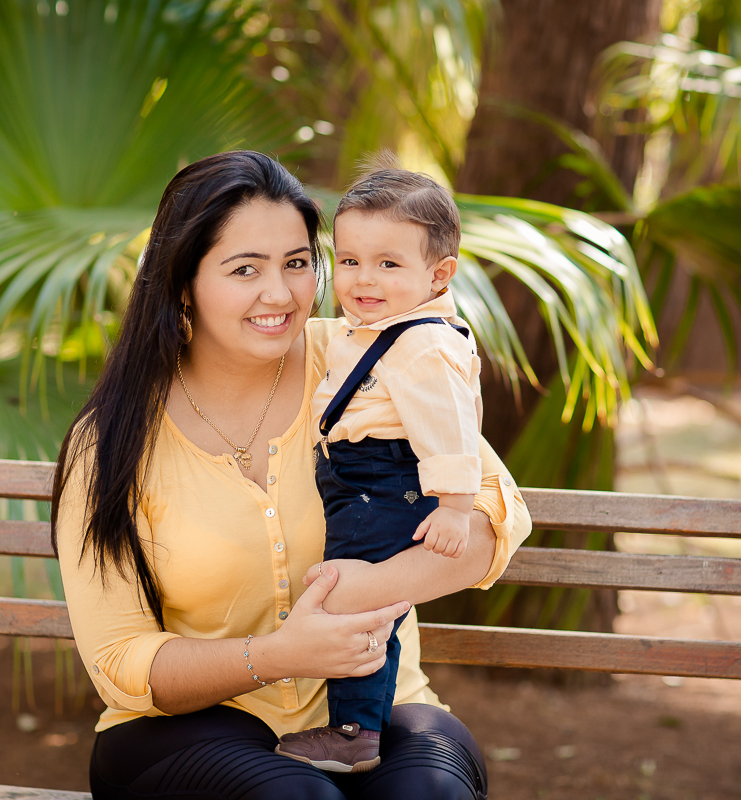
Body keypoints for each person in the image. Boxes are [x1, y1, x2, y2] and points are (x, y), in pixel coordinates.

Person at [51, 150, 532, 800]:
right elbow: (120, 662)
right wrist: (282, 655)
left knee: (429, 793)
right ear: (182, 280)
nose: (279, 294)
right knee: (297, 799)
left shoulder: (375, 353)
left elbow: (495, 517)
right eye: (245, 269)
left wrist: (371, 587)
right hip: (184, 727)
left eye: (298, 263)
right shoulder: (112, 439)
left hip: (379, 711)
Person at [275, 167, 483, 773]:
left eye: (389, 264)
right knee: (359, 601)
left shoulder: (422, 344)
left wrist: (455, 509)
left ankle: (354, 731)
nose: (364, 278)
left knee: (355, 603)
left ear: (439, 273)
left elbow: (452, 427)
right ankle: (357, 724)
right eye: (350, 261)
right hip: (360, 479)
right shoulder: (374, 329)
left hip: (383, 482)